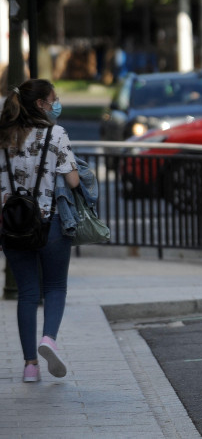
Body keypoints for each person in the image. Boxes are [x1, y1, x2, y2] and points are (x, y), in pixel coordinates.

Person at [0, 79, 80, 383]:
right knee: (55, 287)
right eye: (53, 99)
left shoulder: (3, 136)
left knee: (27, 294)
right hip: (52, 223)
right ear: (41, 105)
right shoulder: (55, 134)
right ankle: (48, 339)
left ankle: (30, 366)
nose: (56, 104)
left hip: (13, 225)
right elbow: (72, 181)